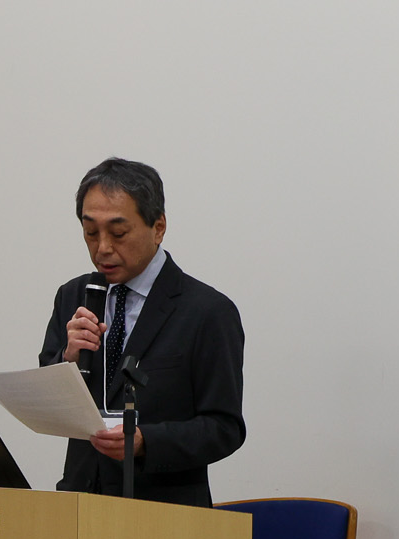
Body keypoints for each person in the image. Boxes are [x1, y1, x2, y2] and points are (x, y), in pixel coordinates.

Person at [38, 158, 245, 506]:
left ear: (158, 227)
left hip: (165, 512)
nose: (103, 247)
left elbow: (225, 428)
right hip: (79, 504)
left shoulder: (207, 311)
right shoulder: (73, 296)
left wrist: (145, 441)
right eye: (91, 232)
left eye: (118, 233)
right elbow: (47, 404)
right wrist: (67, 358)